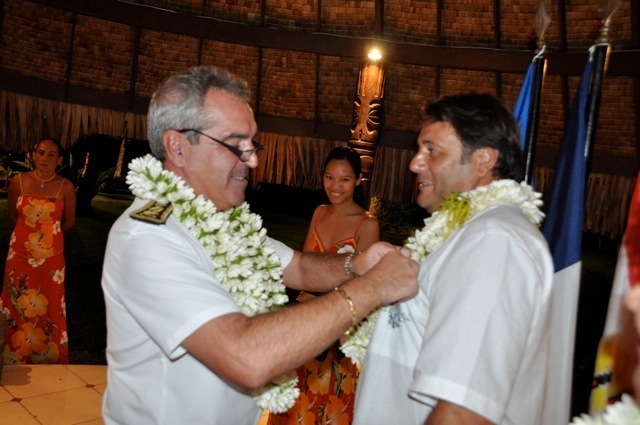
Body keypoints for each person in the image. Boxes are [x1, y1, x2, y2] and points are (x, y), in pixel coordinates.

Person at [100, 65, 418, 425]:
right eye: (236, 145)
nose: (252, 159)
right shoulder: (148, 237)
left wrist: (357, 266)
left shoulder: (223, 219)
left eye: (253, 145)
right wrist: (371, 287)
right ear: (178, 147)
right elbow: (245, 357)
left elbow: (297, 266)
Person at [352, 93, 555, 424]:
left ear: (483, 160)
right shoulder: (462, 234)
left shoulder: (494, 241)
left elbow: (463, 411)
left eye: (432, 151)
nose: (415, 163)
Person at [268, 146, 379, 424]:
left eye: (344, 179)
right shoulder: (319, 212)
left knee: (327, 409)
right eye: (329, 177)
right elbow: (304, 267)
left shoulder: (367, 225)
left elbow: (364, 285)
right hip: (304, 326)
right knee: (292, 405)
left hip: (338, 330)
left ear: (357, 181)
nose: (335, 186)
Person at [1, 138, 76, 364]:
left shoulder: (66, 187)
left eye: (51, 154)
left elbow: (69, 222)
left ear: (59, 160)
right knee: (15, 303)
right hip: (19, 257)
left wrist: (48, 238)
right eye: (41, 153)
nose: (45, 158)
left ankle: (50, 358)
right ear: (33, 155)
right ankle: (12, 356)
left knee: (50, 305)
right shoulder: (18, 182)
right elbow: (14, 217)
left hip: (51, 261)